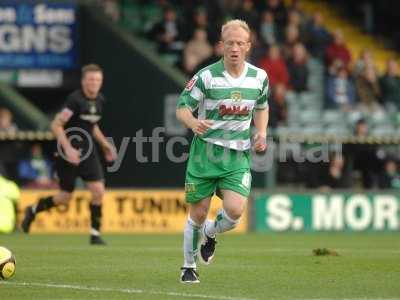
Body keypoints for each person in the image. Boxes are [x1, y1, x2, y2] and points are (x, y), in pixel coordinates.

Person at [176, 19, 269, 283]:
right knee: (198, 212)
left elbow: (262, 106)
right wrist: (194, 123)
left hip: (237, 155)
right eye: (230, 43)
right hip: (205, 154)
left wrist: (261, 133)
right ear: (221, 45)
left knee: (236, 211)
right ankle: (188, 266)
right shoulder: (205, 77)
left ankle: (212, 232)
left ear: (248, 46)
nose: (235, 48)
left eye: (240, 43)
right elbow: (181, 108)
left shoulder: (259, 77)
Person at [21, 64, 116, 245]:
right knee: (65, 197)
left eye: (97, 80)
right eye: (91, 79)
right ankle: (32, 210)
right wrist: (68, 149)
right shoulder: (74, 100)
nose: (94, 83)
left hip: (88, 152)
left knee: (98, 191)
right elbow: (56, 125)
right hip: (67, 153)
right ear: (83, 81)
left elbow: (92, 125)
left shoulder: (99, 100)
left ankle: (95, 234)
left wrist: (105, 145)